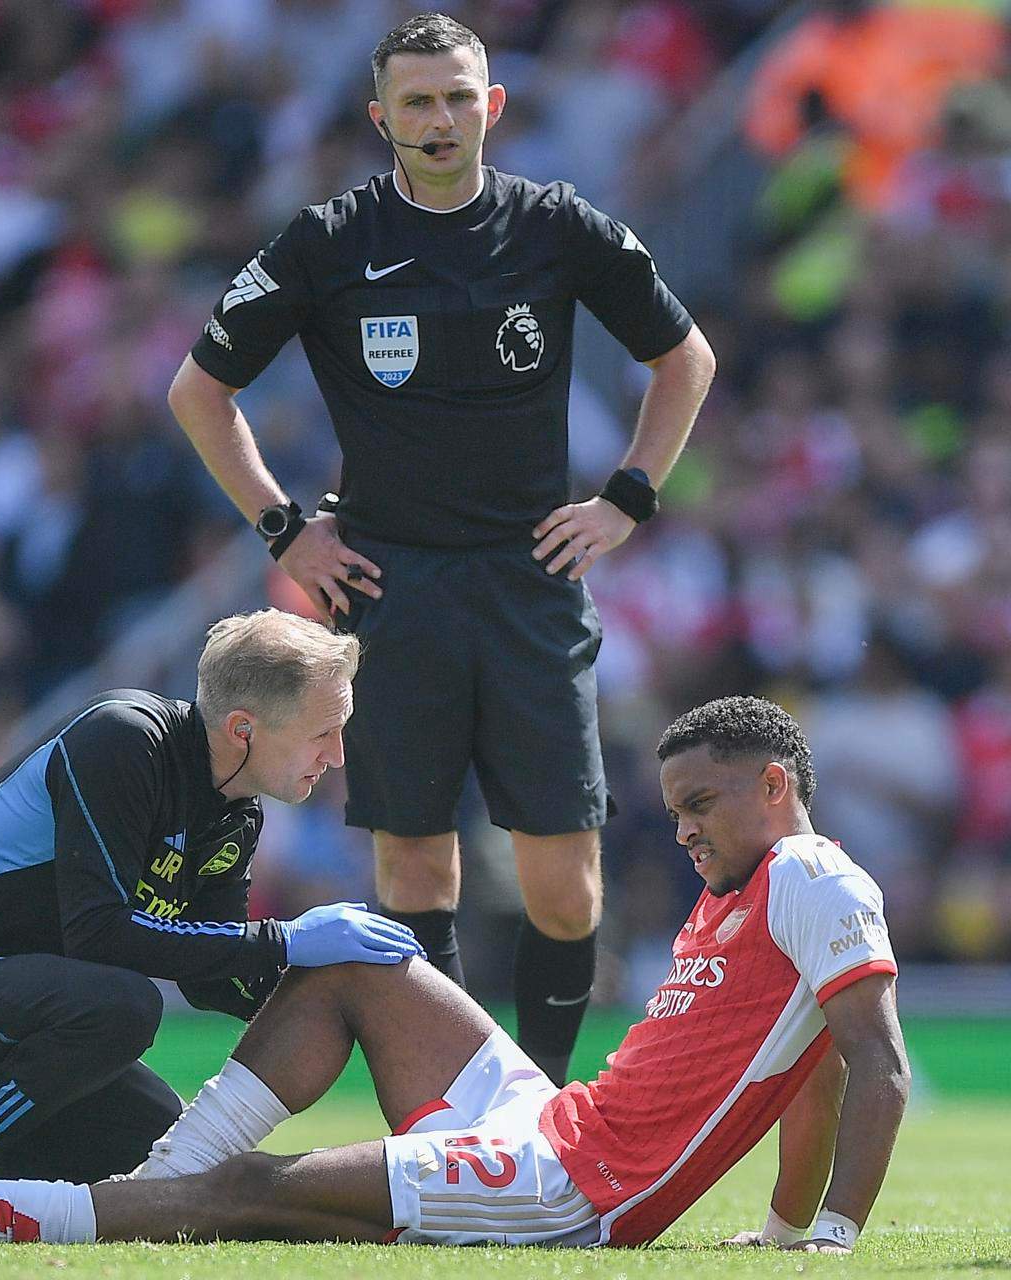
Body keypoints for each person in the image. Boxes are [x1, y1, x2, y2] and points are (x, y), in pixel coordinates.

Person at [166, 12, 719, 1083]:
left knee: (568, 883)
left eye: (458, 96)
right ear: (380, 118)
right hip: (391, 584)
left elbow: (684, 357)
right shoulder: (328, 241)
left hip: (531, 580)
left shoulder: (555, 226)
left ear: (492, 107)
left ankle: (548, 1101)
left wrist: (625, 499)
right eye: (416, 101)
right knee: (416, 866)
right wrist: (287, 529)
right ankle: (454, 1106)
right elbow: (199, 393)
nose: (439, 118)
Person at [0, 696, 908, 1253]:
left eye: (703, 804)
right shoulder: (744, 893)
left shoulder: (812, 874)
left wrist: (828, 1235)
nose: (681, 829)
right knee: (357, 957)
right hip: (550, 1118)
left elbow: (874, 1064)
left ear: (776, 784)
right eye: (674, 808)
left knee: (245, 1193)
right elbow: (808, 1071)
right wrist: (778, 1226)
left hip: (572, 1187)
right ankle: (155, 1178)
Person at [0, 609, 422, 1184]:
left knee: (175, 1167)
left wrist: (340, 993)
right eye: (323, 732)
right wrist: (288, 939)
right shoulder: (125, 740)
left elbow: (212, 976)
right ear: (243, 728)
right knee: (125, 1006)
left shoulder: (238, 811)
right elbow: (99, 933)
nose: (338, 756)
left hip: (13, 1020)